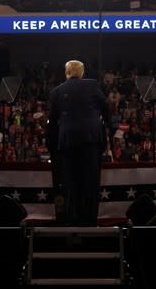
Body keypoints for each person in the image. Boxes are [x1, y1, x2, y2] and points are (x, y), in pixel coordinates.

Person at [47, 59, 110, 226]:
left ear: (66, 73)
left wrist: (52, 147)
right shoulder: (92, 86)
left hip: (67, 143)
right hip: (90, 140)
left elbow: (52, 123)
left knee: (70, 182)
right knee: (90, 182)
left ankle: (71, 221)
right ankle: (90, 221)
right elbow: (106, 109)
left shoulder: (56, 91)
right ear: (82, 73)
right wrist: (109, 129)